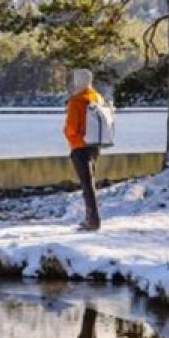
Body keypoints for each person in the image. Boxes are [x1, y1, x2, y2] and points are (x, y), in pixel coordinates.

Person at [64, 67, 103, 232]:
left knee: (86, 184)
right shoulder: (97, 98)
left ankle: (92, 220)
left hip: (80, 146)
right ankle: (92, 217)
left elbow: (72, 128)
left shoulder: (76, 101)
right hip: (94, 145)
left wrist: (66, 133)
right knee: (90, 182)